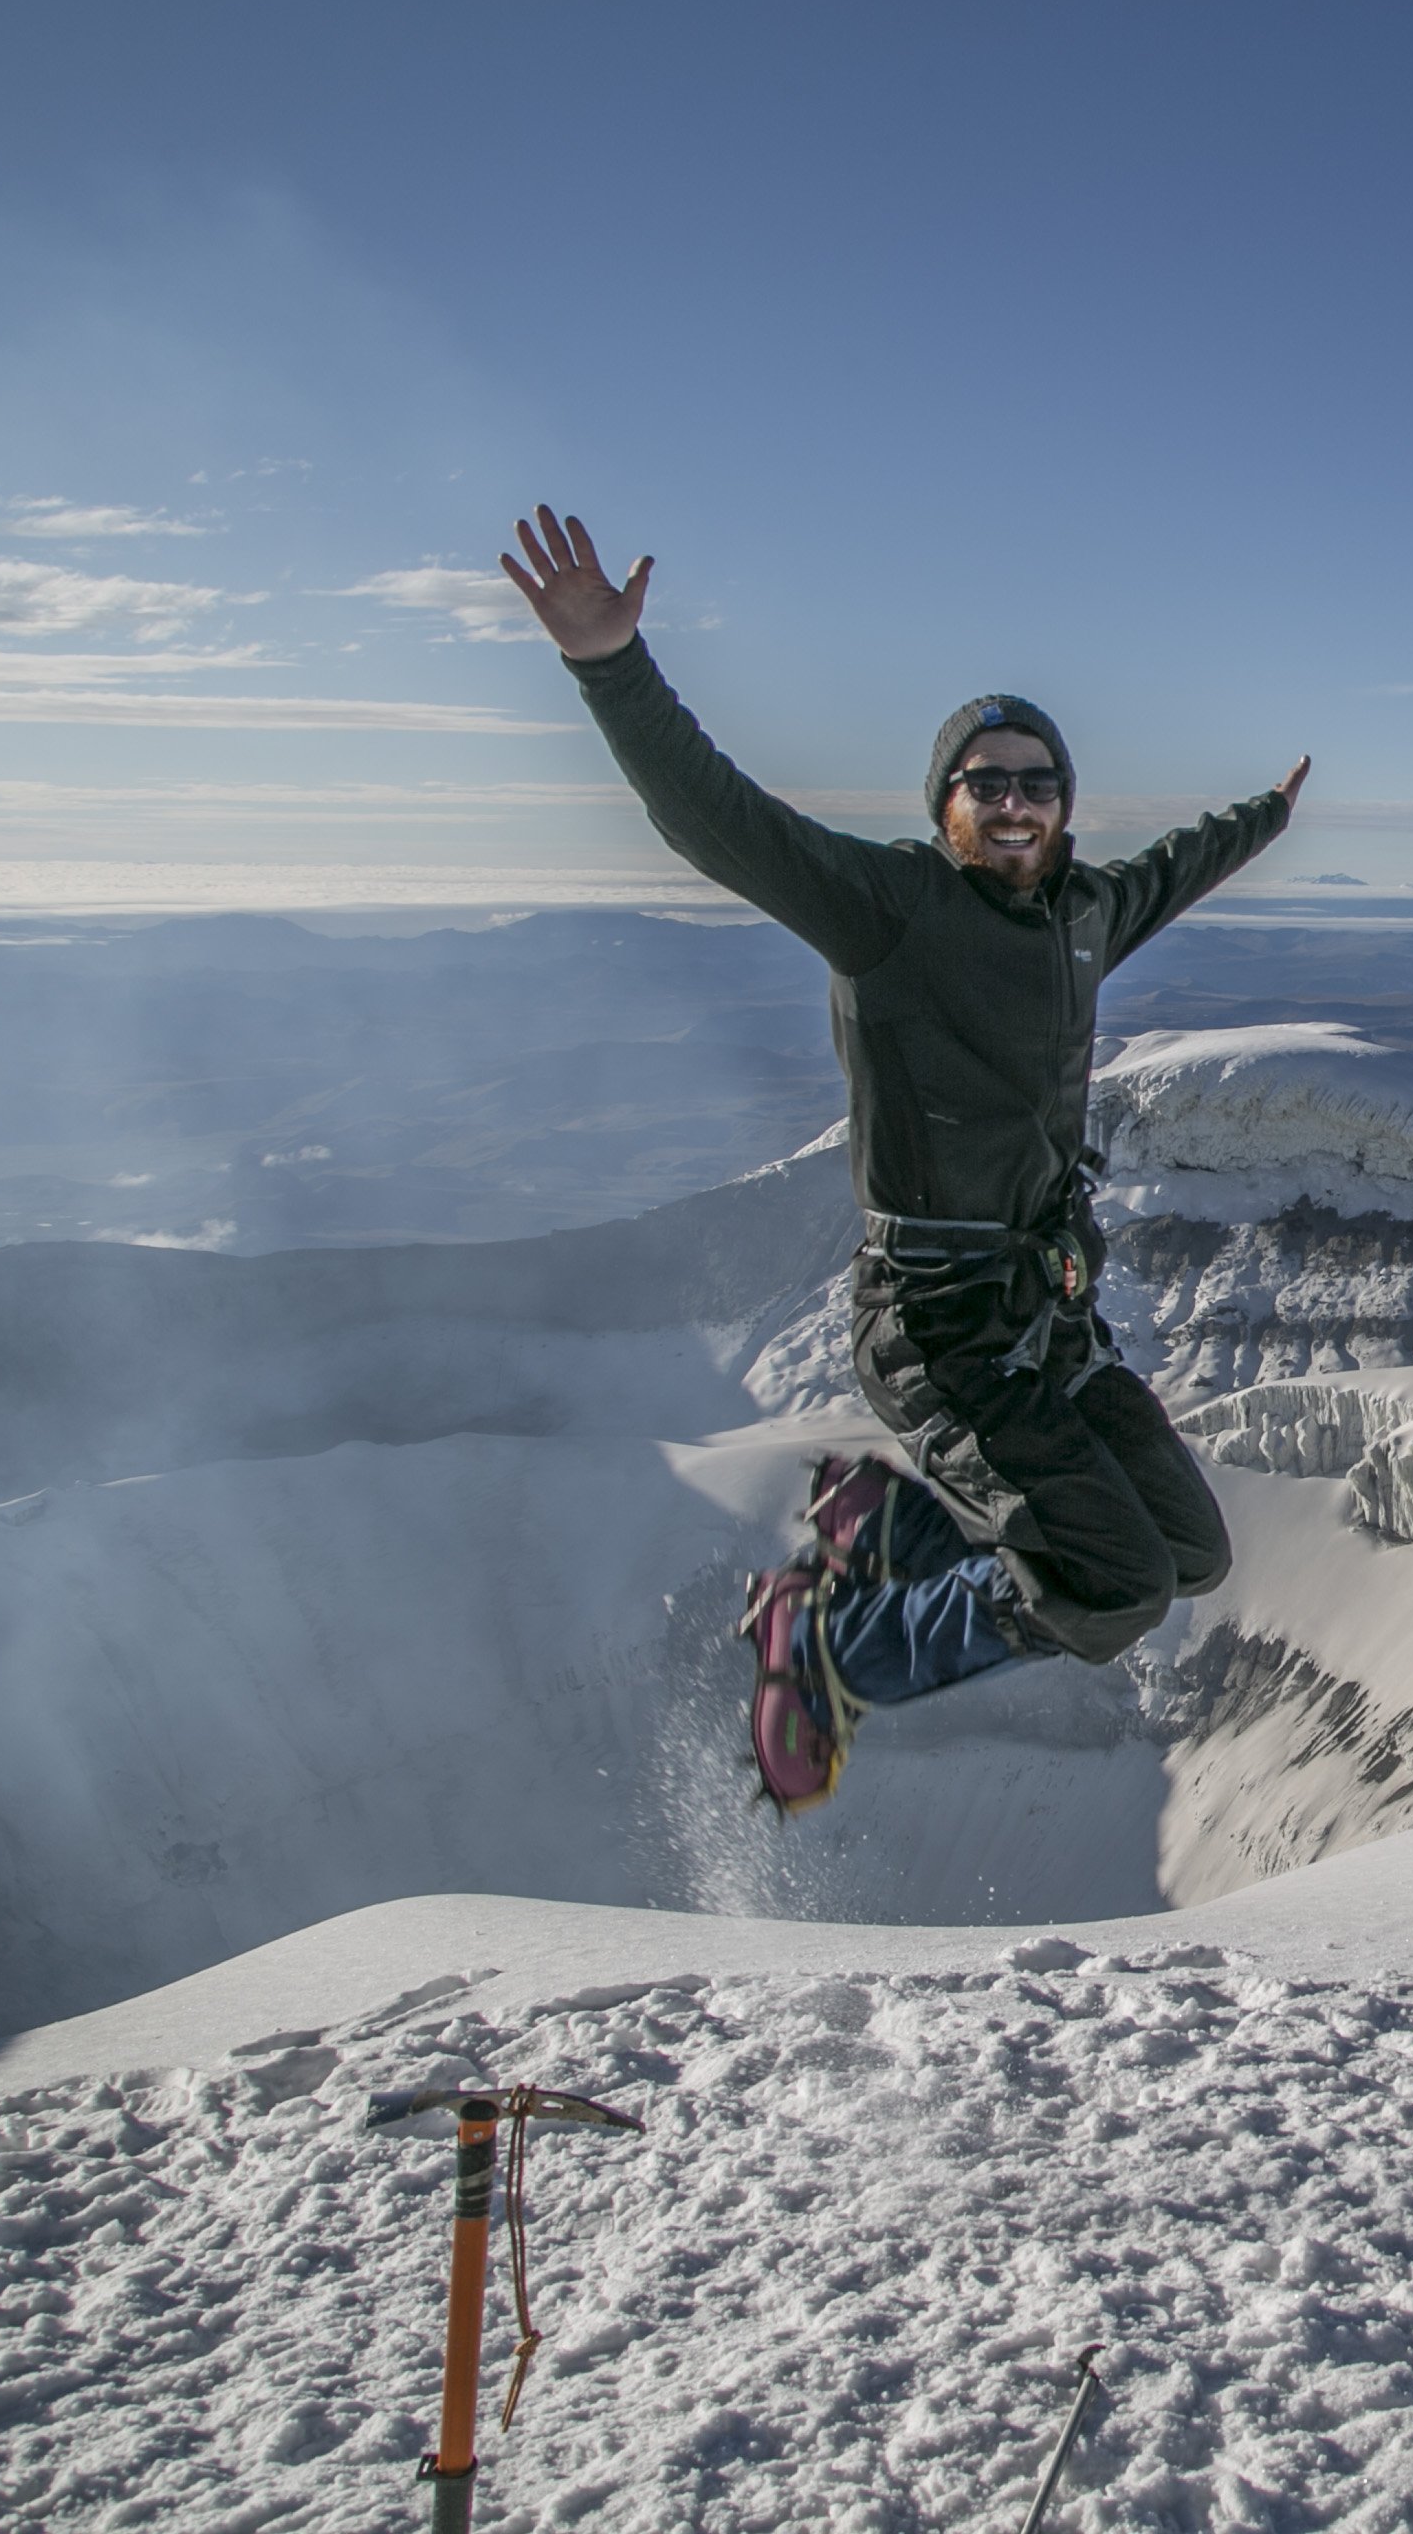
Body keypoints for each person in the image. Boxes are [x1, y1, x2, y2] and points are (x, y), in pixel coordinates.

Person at [500, 506, 1306, 1811]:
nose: (1013, 801)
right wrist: (612, 666)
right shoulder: (888, 909)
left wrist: (1263, 819)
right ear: (943, 806)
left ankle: (897, 1528)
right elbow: (716, 818)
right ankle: (827, 1639)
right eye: (984, 781)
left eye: (1036, 782)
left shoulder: (1085, 910)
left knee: (1193, 1559)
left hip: (1051, 1316)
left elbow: (1172, 871)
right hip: (937, 1321)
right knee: (1113, 1591)